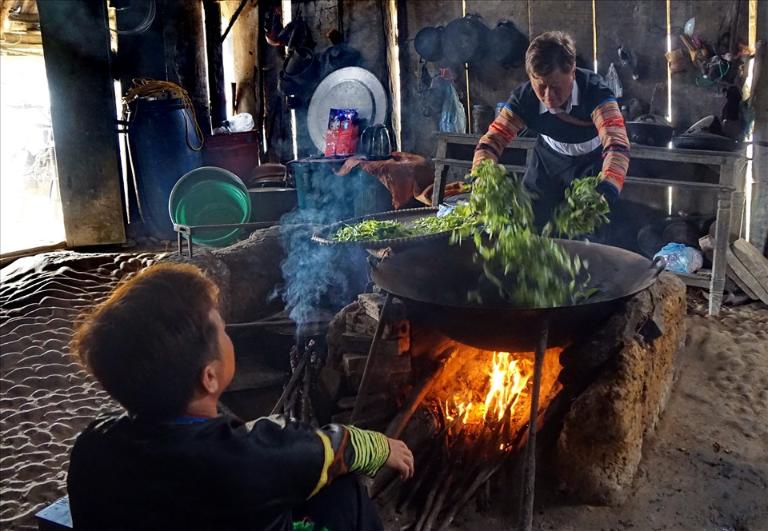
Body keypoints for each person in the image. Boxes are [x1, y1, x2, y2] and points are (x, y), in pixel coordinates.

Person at [67, 263, 414, 531]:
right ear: (209, 377)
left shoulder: (91, 448)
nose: (227, 334)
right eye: (220, 328)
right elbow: (327, 449)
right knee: (344, 493)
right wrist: (380, 446)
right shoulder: (248, 457)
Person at [473, 31, 630, 230]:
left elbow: (617, 145)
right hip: (547, 160)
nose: (548, 97)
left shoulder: (595, 92)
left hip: (593, 161)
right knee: (529, 222)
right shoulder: (524, 98)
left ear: (572, 71)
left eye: (556, 87)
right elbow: (492, 140)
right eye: (541, 87)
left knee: (590, 227)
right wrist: (481, 176)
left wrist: (606, 189)